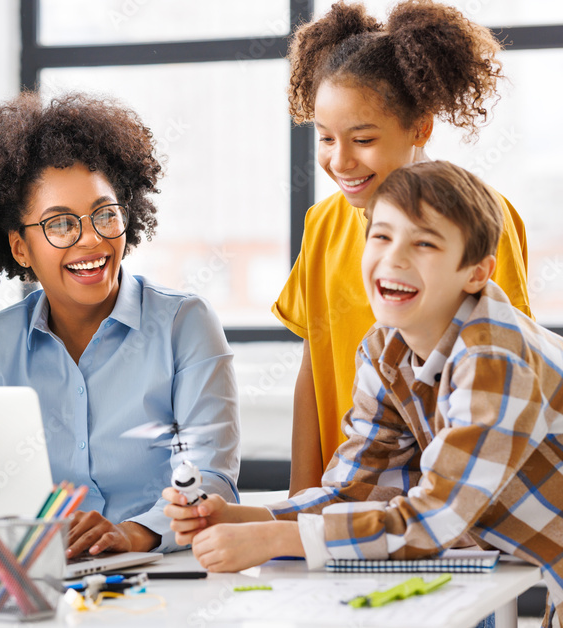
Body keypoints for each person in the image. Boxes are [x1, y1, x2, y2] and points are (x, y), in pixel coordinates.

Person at [166, 161, 563, 627]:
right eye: (382, 236)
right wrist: (242, 517)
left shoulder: (496, 359)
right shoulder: (385, 348)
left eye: (425, 243)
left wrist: (277, 542)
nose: (395, 258)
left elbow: (437, 518)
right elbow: (353, 489)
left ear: (476, 273)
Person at [0, 92, 240, 557]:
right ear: (20, 248)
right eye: (60, 224)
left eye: (105, 214)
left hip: (165, 574)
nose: (91, 239)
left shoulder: (185, 324)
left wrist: (134, 534)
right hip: (43, 573)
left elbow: (212, 479)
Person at [276, 0, 531, 493]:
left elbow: (507, 370)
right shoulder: (323, 222)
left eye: (363, 139)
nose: (340, 161)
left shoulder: (484, 217)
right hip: (343, 494)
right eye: (325, 138)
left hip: (451, 501)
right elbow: (313, 368)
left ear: (421, 127)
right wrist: (300, 499)